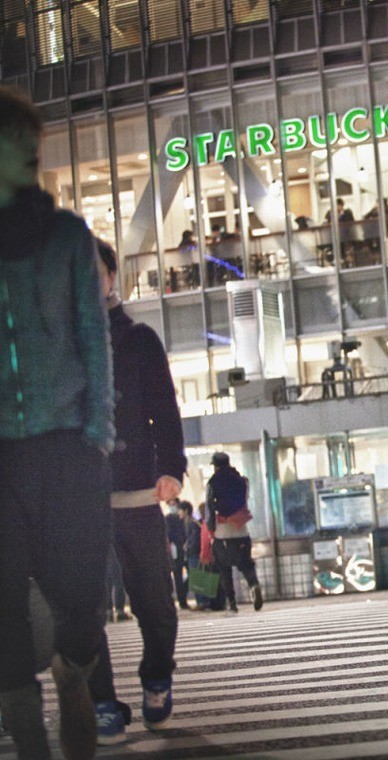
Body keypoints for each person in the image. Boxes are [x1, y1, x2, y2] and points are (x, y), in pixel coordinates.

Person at [0, 84, 115, 760]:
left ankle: (74, 669)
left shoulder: (69, 237)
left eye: (26, 152)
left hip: (68, 439)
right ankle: (27, 724)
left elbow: (93, 336)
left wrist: (99, 432)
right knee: (1, 596)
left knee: (79, 593)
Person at [87, 239, 186, 744]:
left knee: (156, 604)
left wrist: (171, 468)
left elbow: (164, 413)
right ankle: (103, 701)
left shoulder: (140, 339)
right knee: (82, 609)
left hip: (137, 494)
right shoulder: (53, 344)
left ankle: (155, 680)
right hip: (77, 499)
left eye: (93, 270)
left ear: (110, 278)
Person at [204, 452, 264, 613]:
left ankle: (232, 602)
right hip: (241, 529)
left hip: (222, 531)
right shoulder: (242, 481)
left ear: (215, 466)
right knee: (246, 564)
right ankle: (254, 585)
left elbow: (209, 508)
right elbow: (244, 501)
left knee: (224, 569)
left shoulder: (212, 483)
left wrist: (210, 528)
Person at [165, 502, 189, 610]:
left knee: (177, 577)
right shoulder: (178, 520)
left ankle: (181, 600)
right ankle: (182, 600)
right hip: (179, 551)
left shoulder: (171, 520)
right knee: (179, 577)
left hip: (176, 552)